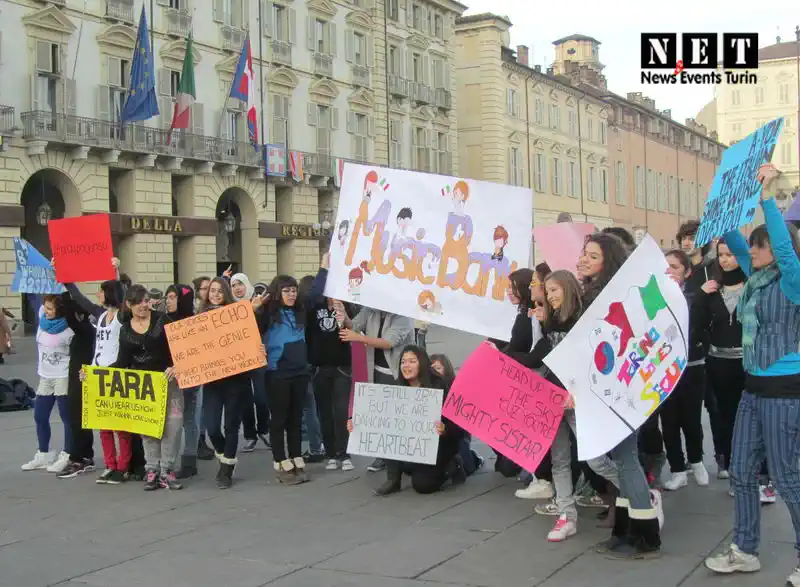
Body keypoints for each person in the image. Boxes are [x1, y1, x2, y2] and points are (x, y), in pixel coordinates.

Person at [705, 163, 800, 584]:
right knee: (742, 471)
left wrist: (766, 197)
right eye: (754, 247)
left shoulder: (793, 280)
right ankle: (745, 550)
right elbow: (731, 241)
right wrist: (722, 207)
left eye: (758, 247)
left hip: (785, 393)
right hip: (753, 390)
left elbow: (782, 248)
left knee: (787, 478)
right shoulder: (757, 280)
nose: (752, 252)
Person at [508, 270, 620, 542]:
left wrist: (576, 391)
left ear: (568, 289)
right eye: (547, 291)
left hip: (578, 399)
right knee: (559, 460)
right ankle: (567, 516)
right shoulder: (550, 320)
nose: (551, 296)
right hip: (552, 397)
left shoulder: (583, 319)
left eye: (555, 290)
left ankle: (640, 491)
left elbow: (596, 361)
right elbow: (543, 358)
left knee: (594, 458)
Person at [579, 232, 663, 559]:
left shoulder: (611, 297)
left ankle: (648, 536)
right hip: (610, 388)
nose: (585, 259)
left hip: (622, 389)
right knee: (621, 458)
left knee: (626, 460)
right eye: (584, 253)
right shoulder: (596, 292)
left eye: (593, 255)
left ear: (608, 261)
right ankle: (626, 531)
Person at [354, 345, 466, 496]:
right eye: (403, 362)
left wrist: (445, 429)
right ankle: (393, 479)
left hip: (441, 445)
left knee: (423, 485)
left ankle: (453, 466)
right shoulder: (396, 388)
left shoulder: (440, 385)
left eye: (412, 361)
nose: (406, 366)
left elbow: (459, 428)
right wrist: (357, 424)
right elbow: (379, 421)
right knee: (400, 452)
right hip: (413, 446)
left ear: (422, 363)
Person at [103, 285, 183, 491]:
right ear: (129, 305)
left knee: (172, 427)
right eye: (138, 302)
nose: (143, 306)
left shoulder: (162, 320)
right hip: (143, 387)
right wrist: (93, 374)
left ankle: (168, 470)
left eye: (146, 301)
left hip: (168, 381)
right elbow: (121, 362)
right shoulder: (125, 330)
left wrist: (177, 366)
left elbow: (181, 345)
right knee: (148, 429)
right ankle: (152, 469)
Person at [260, 257, 326, 484]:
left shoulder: (301, 311)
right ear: (277, 292)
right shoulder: (267, 314)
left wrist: (324, 266)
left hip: (300, 372)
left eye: (293, 290)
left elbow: (316, 291)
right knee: (279, 418)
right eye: (286, 291)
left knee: (296, 419)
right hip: (277, 373)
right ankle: (280, 460)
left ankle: (296, 456)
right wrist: (254, 307)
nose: (291, 294)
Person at [59, 261, 124, 481]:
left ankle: (122, 466)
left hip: (115, 373)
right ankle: (109, 464)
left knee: (119, 426)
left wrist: (115, 271)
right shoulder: (100, 314)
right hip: (98, 373)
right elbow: (81, 300)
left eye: (102, 291)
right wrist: (67, 281)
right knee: (104, 426)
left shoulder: (122, 316)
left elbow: (122, 295)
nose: (98, 294)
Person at [201, 277, 266, 489]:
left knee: (231, 425)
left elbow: (250, 336)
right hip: (212, 380)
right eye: (212, 290)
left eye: (220, 291)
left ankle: (226, 470)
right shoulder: (200, 317)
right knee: (211, 426)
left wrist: (258, 349)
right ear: (207, 293)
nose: (216, 294)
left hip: (235, 380)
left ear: (226, 293)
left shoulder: (238, 314)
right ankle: (224, 455)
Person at [339, 303, 414, 473]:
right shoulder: (371, 311)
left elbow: (388, 342)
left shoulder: (403, 316)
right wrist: (343, 316)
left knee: (398, 415)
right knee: (381, 415)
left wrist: (358, 338)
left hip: (399, 372)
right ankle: (384, 456)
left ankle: (403, 457)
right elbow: (354, 326)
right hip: (378, 370)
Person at [659, 249, 710, 490]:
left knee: (690, 418)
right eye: (666, 266)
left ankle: (697, 460)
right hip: (664, 370)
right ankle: (677, 469)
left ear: (687, 272)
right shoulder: (654, 298)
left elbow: (699, 328)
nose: (669, 271)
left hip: (691, 366)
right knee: (668, 421)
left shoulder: (694, 297)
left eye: (675, 267)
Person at [22, 295, 74, 474]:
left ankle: (68, 453)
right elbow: (35, 293)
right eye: (45, 308)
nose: (47, 311)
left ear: (59, 310)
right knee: (40, 415)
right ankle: (44, 453)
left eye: (51, 309)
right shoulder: (42, 322)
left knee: (66, 417)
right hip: (45, 376)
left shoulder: (69, 330)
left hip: (63, 376)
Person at [306, 286, 354, 472]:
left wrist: (342, 314)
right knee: (324, 413)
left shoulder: (345, 306)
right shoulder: (313, 307)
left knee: (341, 411)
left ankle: (344, 453)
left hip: (341, 366)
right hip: (319, 367)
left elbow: (353, 327)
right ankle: (331, 454)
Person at [164, 284, 205, 480]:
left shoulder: (193, 323)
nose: (168, 301)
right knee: (172, 421)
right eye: (167, 297)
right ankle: (166, 461)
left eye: (172, 297)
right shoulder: (162, 320)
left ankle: (189, 460)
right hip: (169, 378)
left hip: (190, 379)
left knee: (187, 420)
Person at [297, 274, 325, 463]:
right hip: (317, 361)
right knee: (313, 406)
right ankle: (317, 444)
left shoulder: (302, 310)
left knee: (306, 407)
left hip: (302, 361)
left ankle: (313, 444)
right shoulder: (320, 307)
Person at [189, 275, 215, 461]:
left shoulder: (212, 309)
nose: (208, 292)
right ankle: (197, 441)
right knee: (197, 405)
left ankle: (202, 439)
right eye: (205, 288)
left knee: (206, 405)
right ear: (198, 292)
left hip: (210, 362)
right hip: (195, 364)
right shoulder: (192, 311)